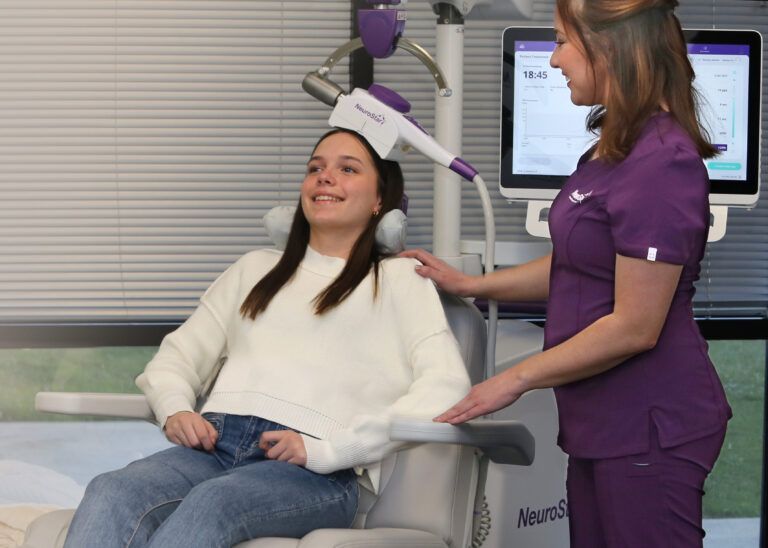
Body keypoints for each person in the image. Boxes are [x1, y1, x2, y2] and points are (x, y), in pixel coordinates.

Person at [403, 1, 731, 546]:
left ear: (610, 48)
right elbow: (579, 262)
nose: (554, 60)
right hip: (599, 421)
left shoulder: (663, 164)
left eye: (561, 41)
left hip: (650, 422)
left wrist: (513, 379)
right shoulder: (610, 152)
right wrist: (472, 284)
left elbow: (635, 325)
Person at [64, 128, 471, 548]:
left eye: (347, 169)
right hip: (213, 447)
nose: (325, 177)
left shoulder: (399, 280)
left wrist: (331, 449)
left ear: (379, 201)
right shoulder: (254, 268)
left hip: (313, 473)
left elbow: (445, 385)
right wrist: (174, 409)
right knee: (111, 490)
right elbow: (176, 358)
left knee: (214, 502)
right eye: (316, 168)